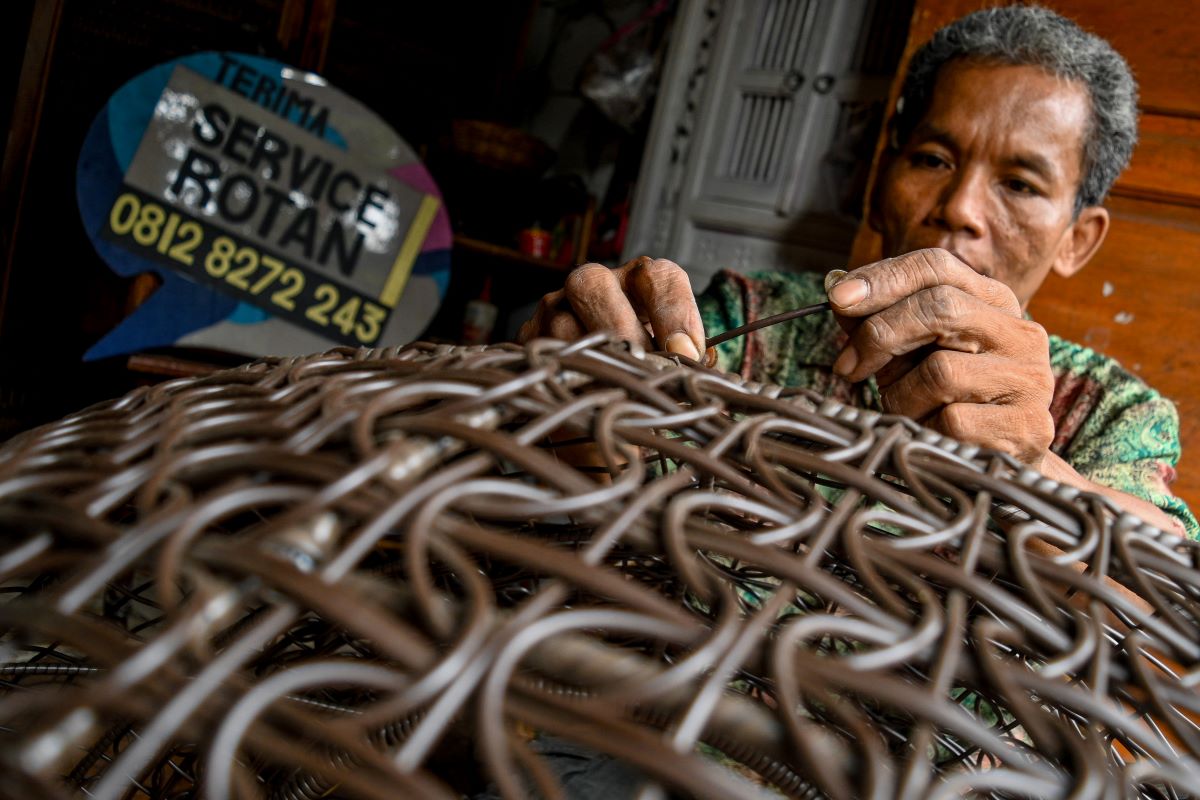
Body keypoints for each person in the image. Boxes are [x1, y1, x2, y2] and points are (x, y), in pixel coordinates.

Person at [518, 5, 1198, 538]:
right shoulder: (747, 320)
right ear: (879, 183)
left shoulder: (1111, 411)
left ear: (1078, 240)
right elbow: (595, 471)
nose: (959, 208)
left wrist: (1028, 473)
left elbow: (1167, 598)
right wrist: (573, 383)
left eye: (1019, 185)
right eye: (932, 159)